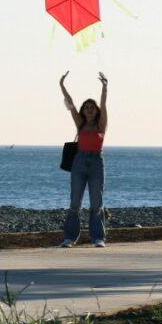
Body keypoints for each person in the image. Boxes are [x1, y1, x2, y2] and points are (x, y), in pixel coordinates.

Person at [58, 71, 108, 248]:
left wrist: (104, 88)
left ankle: (98, 238)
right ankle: (69, 238)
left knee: (96, 202)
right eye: (86, 107)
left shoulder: (101, 124)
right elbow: (70, 105)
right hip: (79, 162)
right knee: (75, 202)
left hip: (96, 163)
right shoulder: (79, 123)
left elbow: (103, 104)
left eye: (91, 107)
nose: (89, 109)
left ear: (96, 111)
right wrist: (62, 86)